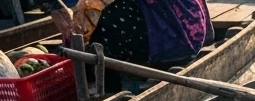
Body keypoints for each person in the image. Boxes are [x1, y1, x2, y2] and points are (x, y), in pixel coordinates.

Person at [37, 0, 212, 75]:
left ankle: (113, 82)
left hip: (174, 40)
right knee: (99, 15)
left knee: (109, 17)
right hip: (188, 33)